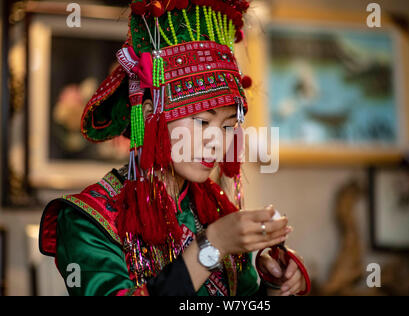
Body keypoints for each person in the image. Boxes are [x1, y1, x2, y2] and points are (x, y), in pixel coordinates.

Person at [39, 0, 307, 296]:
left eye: (229, 125)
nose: (217, 141)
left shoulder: (216, 211)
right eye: (203, 121)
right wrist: (211, 246)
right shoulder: (88, 218)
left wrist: (273, 288)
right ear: (152, 113)